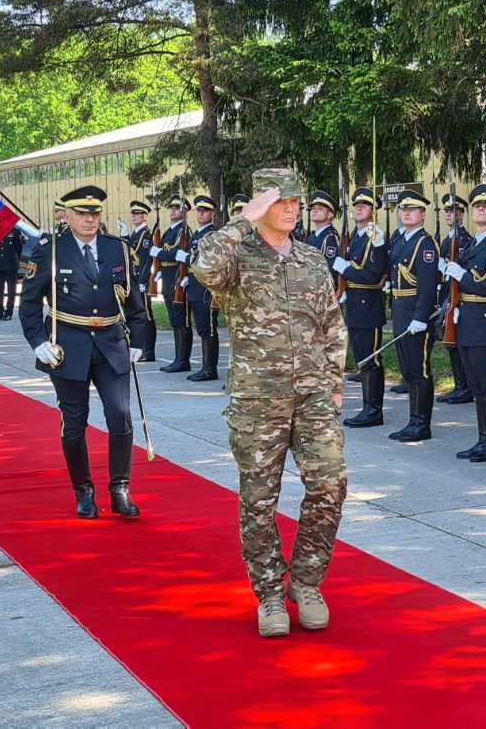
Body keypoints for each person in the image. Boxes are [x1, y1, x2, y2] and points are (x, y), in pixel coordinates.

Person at [191, 169, 348, 638]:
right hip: (258, 400)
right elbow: (202, 268)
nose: (294, 208)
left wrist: (335, 381)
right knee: (259, 501)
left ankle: (306, 581)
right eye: (283, 201)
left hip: (314, 394)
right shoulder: (236, 257)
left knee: (330, 486)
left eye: (297, 201)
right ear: (262, 204)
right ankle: (269, 594)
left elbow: (332, 324)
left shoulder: (311, 258)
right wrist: (243, 220)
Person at [18, 185, 153, 521]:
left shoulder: (117, 249)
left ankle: (120, 488)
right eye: (82, 214)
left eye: (95, 214)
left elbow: (136, 301)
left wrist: (139, 340)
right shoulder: (50, 250)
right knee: (74, 422)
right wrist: (38, 342)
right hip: (68, 346)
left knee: (119, 415)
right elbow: (29, 304)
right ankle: (83, 491)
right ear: (67, 216)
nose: (90, 220)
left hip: (111, 344)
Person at [445, 184, 486, 462]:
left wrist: (463, 277)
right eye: (477, 206)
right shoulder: (472, 243)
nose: (481, 209)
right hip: (468, 320)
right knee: (475, 383)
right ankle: (483, 437)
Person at [330, 188, 390, 429]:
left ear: (373, 211)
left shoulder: (376, 236)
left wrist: (346, 270)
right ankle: (367, 407)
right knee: (363, 361)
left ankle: (374, 411)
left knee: (371, 360)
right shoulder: (356, 234)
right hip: (355, 305)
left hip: (368, 305)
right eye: (356, 205)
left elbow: (373, 273)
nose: (358, 208)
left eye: (364, 205)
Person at [386, 189, 442, 442]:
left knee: (419, 370)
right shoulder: (399, 239)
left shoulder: (425, 243)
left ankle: (422, 424)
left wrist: (421, 316)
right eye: (403, 209)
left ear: (422, 214)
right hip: (400, 309)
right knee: (408, 370)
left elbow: (429, 284)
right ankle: (412, 420)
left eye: (412, 209)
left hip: (416, 314)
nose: (406, 212)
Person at [436, 193, 475, 405]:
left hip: (458, 297)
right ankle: (459, 384)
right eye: (447, 211)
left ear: (461, 215)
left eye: (454, 211)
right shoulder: (447, 239)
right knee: (451, 342)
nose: (450, 214)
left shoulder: (465, 240)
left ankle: (466, 386)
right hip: (446, 296)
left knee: (459, 343)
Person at [152, 196, 193, 373]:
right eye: (172, 208)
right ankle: (178, 358)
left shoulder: (184, 231)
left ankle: (183, 360)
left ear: (184, 212)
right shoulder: (170, 231)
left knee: (181, 319)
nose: (173, 210)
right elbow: (162, 252)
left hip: (178, 276)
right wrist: (159, 268)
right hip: (168, 277)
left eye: (177, 208)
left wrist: (160, 252)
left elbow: (178, 254)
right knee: (174, 321)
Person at [184, 196, 221, 381]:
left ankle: (209, 369)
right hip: (195, 286)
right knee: (202, 327)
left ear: (212, 214)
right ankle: (206, 366)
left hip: (205, 288)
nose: (201, 213)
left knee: (208, 328)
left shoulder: (212, 234)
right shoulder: (197, 234)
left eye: (205, 211)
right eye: (198, 210)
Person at [124, 200, 158, 362]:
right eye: (133, 213)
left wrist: (144, 281)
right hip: (134, 278)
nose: (134, 216)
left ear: (144, 216)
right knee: (136, 314)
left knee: (145, 316)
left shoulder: (145, 234)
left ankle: (148, 351)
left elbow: (145, 260)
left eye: (137, 214)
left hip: (140, 280)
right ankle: (141, 348)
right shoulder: (135, 233)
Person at [0, 226, 26, 320]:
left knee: (11, 290)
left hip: (11, 264)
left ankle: (9, 312)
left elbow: (19, 248)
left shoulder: (15, 231)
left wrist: (15, 258)